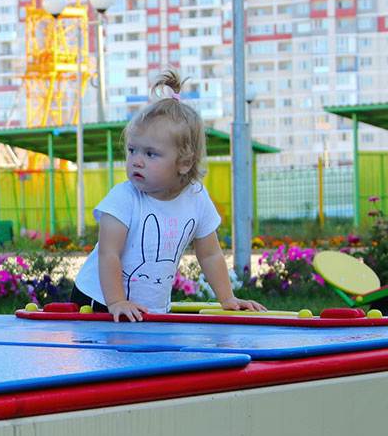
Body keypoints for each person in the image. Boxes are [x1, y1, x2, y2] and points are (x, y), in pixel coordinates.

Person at [72, 70, 266, 322]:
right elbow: (109, 253)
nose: (136, 161)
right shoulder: (123, 198)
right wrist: (117, 301)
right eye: (132, 150)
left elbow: (210, 254)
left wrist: (227, 299)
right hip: (98, 300)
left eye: (150, 154)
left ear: (184, 163)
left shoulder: (196, 197)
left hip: (148, 307)